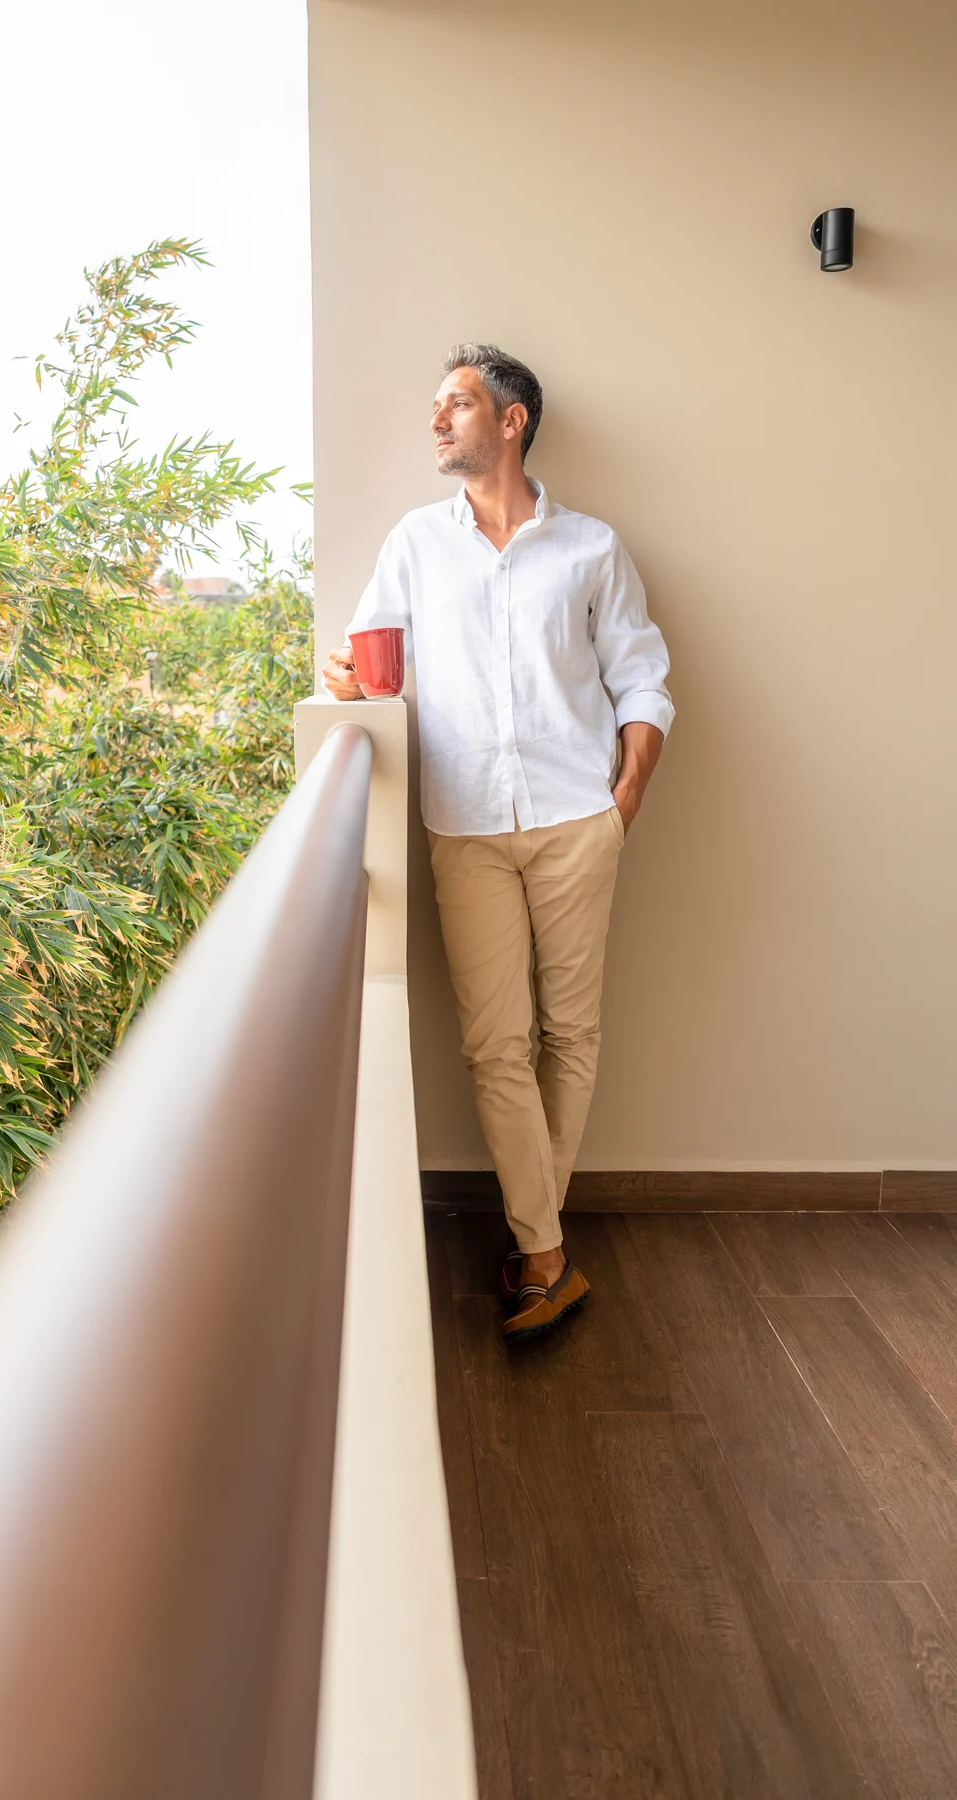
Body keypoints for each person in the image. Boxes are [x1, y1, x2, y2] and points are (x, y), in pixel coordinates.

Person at [323, 344, 673, 1344]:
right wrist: (346, 682)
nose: (437, 422)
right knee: (494, 1046)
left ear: (510, 421)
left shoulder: (592, 549)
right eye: (436, 408)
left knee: (572, 1032)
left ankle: (536, 1243)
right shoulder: (414, 543)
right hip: (465, 826)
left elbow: (642, 676)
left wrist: (628, 794)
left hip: (577, 819)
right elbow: (371, 663)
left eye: (457, 405)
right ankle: (549, 1257)